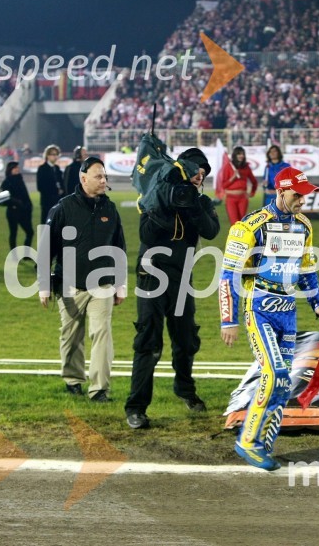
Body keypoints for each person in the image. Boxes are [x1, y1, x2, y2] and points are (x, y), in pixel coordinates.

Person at [219, 166, 319, 470]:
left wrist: (317, 304)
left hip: (289, 313)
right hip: (259, 310)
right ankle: (247, 441)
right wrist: (227, 320)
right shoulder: (249, 226)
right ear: (280, 191)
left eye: (306, 197)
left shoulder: (304, 226)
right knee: (274, 375)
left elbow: (307, 270)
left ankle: (264, 444)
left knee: (283, 385)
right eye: (298, 196)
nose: (303, 202)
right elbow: (227, 275)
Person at [125, 148, 220, 429]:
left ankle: (185, 389)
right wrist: (165, 208)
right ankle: (136, 407)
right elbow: (146, 234)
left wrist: (191, 207)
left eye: (203, 174)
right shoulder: (158, 192)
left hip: (181, 277)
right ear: (185, 169)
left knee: (186, 338)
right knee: (148, 341)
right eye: (197, 171)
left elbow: (211, 230)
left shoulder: (199, 202)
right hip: (152, 276)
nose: (199, 177)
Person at [40, 157, 126, 402]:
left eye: (105, 176)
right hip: (69, 284)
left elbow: (119, 247)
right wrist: (44, 285)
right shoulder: (63, 208)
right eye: (98, 176)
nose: (104, 181)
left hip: (103, 285)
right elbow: (46, 247)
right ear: (83, 178)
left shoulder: (110, 209)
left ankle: (99, 389)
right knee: (71, 336)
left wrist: (120, 285)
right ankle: (73, 379)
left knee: (102, 334)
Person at [0, 161, 34, 254]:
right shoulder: (6, 182)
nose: (17, 169)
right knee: (14, 233)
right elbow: (3, 198)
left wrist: (29, 205)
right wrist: (15, 203)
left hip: (24, 211)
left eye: (18, 168)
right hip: (13, 211)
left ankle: (26, 254)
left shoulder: (20, 179)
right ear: (10, 170)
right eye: (15, 168)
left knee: (30, 232)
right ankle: (13, 254)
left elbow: (25, 195)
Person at [221, 146, 258, 224]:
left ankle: (243, 236)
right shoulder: (228, 167)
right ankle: (234, 236)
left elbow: (254, 181)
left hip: (243, 199)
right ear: (235, 155)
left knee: (242, 222)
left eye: (242, 154)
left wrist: (252, 193)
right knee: (234, 222)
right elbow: (224, 185)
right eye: (239, 154)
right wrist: (233, 177)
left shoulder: (246, 167)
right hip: (230, 199)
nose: (241, 156)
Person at [36, 144, 64, 224]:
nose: (55, 156)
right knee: (46, 223)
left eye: (56, 154)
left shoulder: (57, 168)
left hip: (57, 200)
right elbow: (40, 186)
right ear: (47, 155)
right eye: (53, 154)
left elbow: (60, 182)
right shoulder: (42, 168)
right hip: (47, 201)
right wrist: (55, 191)